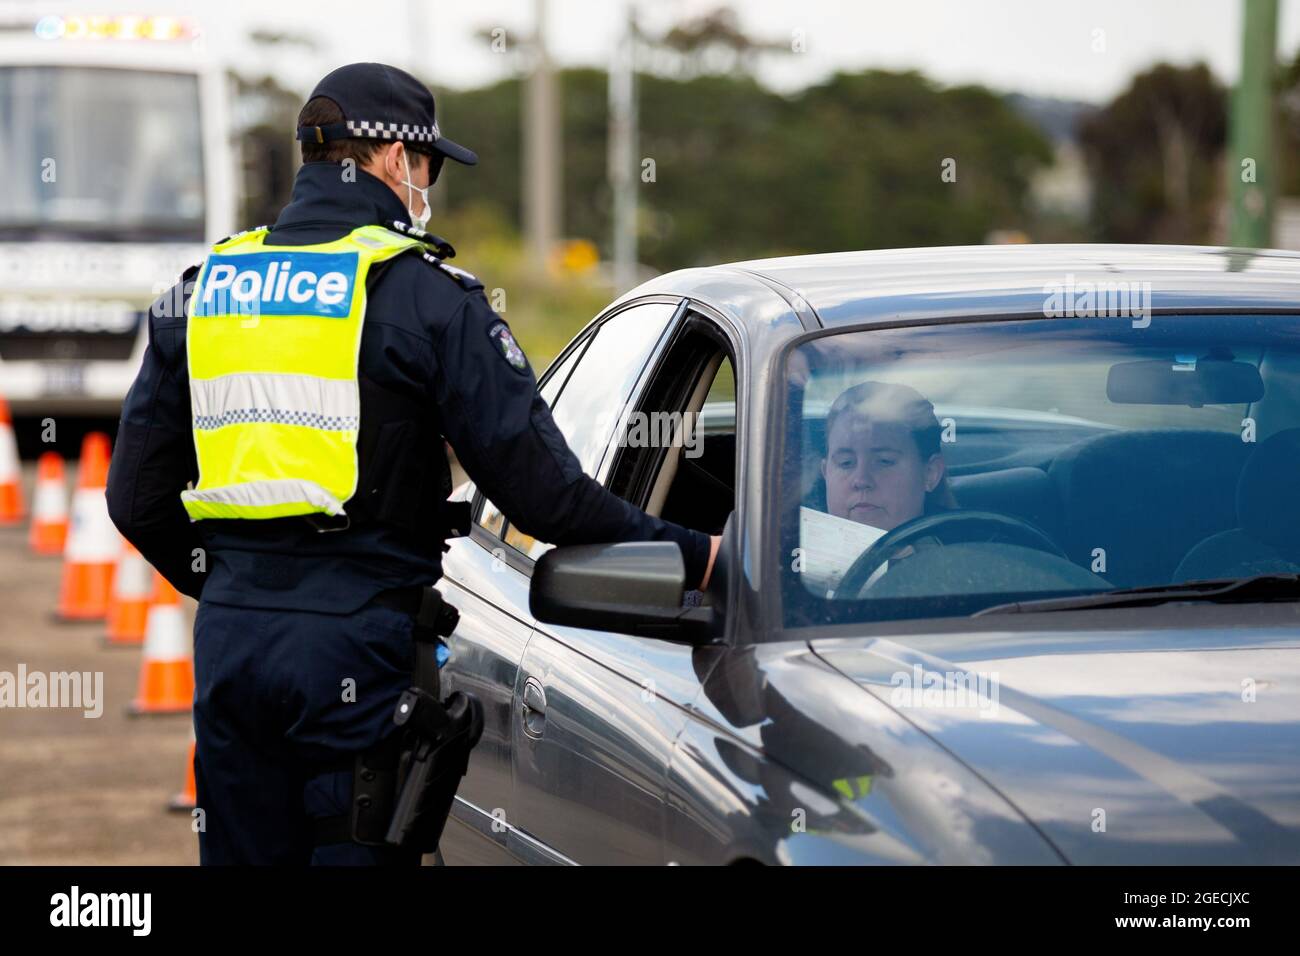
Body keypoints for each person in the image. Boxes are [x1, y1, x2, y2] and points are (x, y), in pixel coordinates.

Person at [106, 62, 720, 866]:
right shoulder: (429, 297)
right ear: (394, 159)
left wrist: (234, 583)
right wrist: (696, 552)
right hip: (357, 646)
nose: (427, 185)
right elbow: (546, 499)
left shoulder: (203, 290)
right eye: (427, 167)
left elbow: (135, 499)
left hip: (234, 641)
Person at [820, 380, 956, 531]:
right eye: (845, 463)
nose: (861, 480)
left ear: (930, 473)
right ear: (826, 472)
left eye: (884, 461)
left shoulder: (966, 553)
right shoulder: (796, 544)